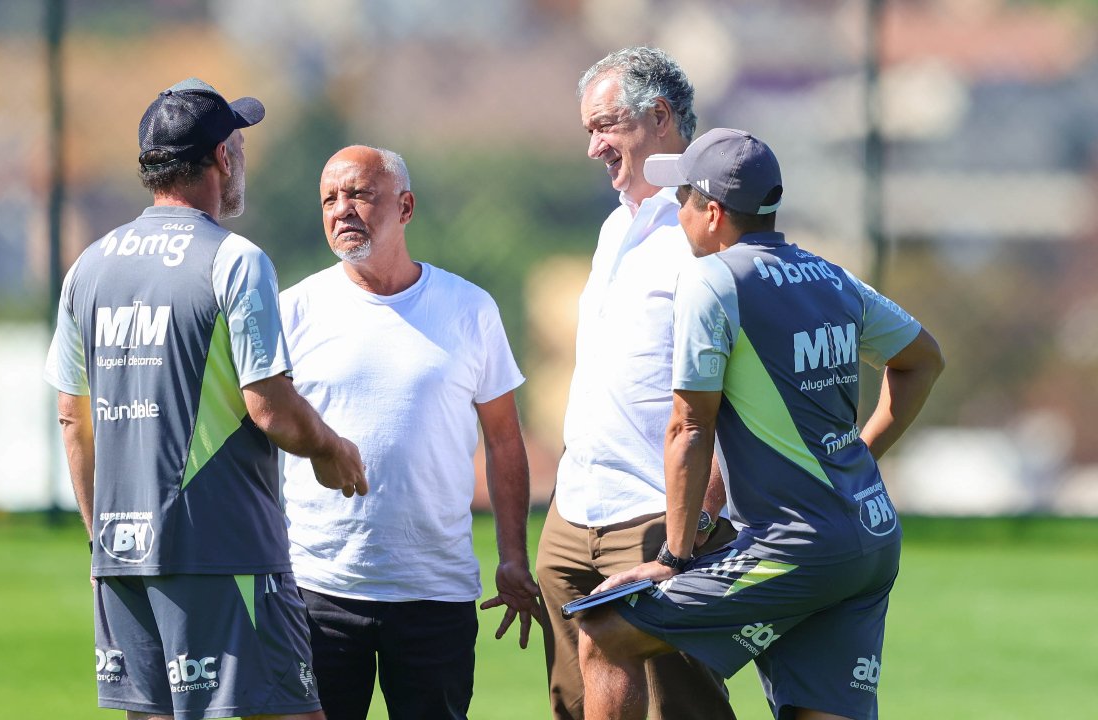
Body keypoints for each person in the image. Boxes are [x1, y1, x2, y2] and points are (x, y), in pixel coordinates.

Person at [577, 128, 946, 720]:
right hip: (871, 535)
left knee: (605, 633)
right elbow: (922, 359)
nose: (677, 209)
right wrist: (858, 458)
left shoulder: (711, 281)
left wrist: (674, 558)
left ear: (714, 214)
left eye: (684, 198)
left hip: (795, 547)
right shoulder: (831, 276)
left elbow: (689, 428)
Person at [44, 78, 367, 720]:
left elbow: (71, 418)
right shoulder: (235, 260)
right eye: (238, 143)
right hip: (226, 554)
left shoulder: (89, 265)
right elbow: (268, 405)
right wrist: (331, 449)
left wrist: (103, 544)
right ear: (222, 157)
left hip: (121, 557)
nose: (242, 155)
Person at [277, 145, 541, 720]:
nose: (342, 210)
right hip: (317, 589)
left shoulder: (470, 308)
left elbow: (504, 442)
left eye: (359, 195)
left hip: (435, 592)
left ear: (406, 207)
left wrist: (513, 558)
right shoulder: (292, 310)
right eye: (329, 199)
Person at [535, 46, 737, 720]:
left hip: (657, 520)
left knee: (683, 709)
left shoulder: (707, 230)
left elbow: (731, 391)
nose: (593, 146)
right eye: (588, 129)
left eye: (605, 126)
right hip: (574, 519)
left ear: (658, 117)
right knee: (575, 706)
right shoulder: (615, 226)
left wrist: (697, 522)